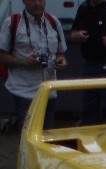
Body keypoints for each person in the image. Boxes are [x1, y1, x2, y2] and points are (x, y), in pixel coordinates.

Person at [0, 0, 67, 130]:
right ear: (24, 1)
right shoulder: (12, 23)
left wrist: (61, 60)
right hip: (24, 91)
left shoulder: (53, 21)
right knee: (28, 136)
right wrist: (23, 62)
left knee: (47, 136)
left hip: (49, 90)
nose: (37, 3)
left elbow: (60, 53)